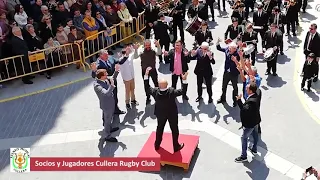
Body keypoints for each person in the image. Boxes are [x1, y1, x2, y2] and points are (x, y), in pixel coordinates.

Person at [146, 74, 187, 152]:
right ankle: (176, 146)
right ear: (167, 85)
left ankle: (157, 144)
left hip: (160, 114)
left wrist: (146, 76)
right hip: (172, 114)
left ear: (159, 85)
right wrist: (184, 80)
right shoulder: (171, 92)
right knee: (174, 129)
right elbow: (183, 91)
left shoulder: (155, 92)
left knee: (160, 128)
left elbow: (147, 87)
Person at [91, 49, 126, 115]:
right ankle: (108, 114)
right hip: (105, 84)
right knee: (108, 98)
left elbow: (119, 61)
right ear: (100, 56)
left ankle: (116, 109)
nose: (107, 56)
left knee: (115, 96)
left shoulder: (110, 58)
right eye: (105, 55)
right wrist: (94, 70)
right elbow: (94, 76)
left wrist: (125, 55)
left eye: (107, 55)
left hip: (113, 81)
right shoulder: (98, 64)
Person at [234, 82, 261, 163]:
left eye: (247, 88)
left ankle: (244, 156)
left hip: (250, 124)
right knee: (255, 135)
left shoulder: (251, 102)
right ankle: (254, 149)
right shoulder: (257, 94)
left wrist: (239, 100)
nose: (246, 89)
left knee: (244, 138)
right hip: (256, 120)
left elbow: (244, 109)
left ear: (251, 91)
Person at [93, 69, 120, 143]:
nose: (107, 74)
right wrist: (112, 85)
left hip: (110, 103)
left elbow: (112, 78)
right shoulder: (97, 86)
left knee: (108, 119)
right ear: (101, 77)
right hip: (107, 106)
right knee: (107, 120)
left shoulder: (104, 79)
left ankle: (109, 128)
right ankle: (107, 136)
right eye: (105, 74)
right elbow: (106, 94)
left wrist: (116, 71)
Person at [132, 39, 162, 105]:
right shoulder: (141, 51)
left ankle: (157, 96)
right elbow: (135, 56)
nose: (148, 47)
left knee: (156, 84)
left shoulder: (153, 51)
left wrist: (158, 46)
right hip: (145, 72)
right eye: (146, 45)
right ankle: (148, 97)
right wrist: (136, 49)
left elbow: (159, 53)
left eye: (149, 45)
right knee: (146, 85)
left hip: (153, 70)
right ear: (144, 45)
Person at [216, 38, 240, 107]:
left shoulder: (238, 54)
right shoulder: (227, 50)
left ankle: (235, 100)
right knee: (224, 86)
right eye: (229, 48)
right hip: (226, 72)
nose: (229, 50)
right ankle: (223, 98)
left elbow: (240, 65)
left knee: (235, 87)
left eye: (231, 49)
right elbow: (219, 48)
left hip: (234, 73)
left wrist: (235, 60)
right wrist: (218, 43)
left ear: (234, 49)